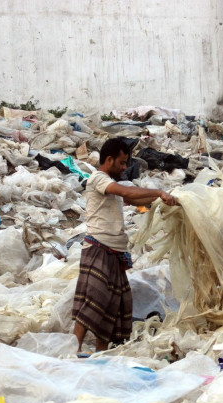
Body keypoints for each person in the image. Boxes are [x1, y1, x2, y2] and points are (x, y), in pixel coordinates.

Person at [72, 138, 179, 354]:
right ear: (109, 160)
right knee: (93, 301)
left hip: (114, 252)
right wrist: (159, 193)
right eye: (121, 163)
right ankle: (72, 348)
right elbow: (127, 193)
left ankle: (101, 352)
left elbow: (134, 199)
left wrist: (165, 199)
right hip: (98, 248)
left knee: (113, 305)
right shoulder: (98, 179)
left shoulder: (112, 186)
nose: (124, 168)